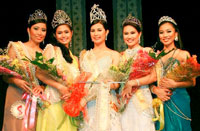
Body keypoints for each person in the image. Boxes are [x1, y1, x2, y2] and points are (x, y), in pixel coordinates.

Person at [123, 16, 196, 131]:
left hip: (178, 99)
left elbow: (192, 82)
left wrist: (175, 84)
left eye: (169, 31)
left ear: (176, 33)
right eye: (161, 32)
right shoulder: (156, 56)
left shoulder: (183, 54)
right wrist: (156, 90)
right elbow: (151, 79)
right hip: (161, 100)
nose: (165, 35)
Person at [2, 9, 47, 131]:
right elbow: (5, 75)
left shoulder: (45, 54)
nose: (39, 33)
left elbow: (45, 81)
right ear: (28, 30)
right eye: (36, 29)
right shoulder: (16, 47)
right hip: (16, 94)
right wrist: (16, 81)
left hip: (35, 98)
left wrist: (42, 88)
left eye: (43, 30)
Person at [79, 4, 122, 131]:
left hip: (108, 102)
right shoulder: (84, 55)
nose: (96, 33)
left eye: (99, 30)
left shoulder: (114, 55)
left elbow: (116, 84)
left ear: (106, 32)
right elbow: (81, 82)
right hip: (88, 103)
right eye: (93, 30)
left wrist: (109, 84)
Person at [35, 10, 79, 131]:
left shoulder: (74, 58)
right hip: (53, 102)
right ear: (55, 35)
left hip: (68, 103)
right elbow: (39, 73)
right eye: (60, 33)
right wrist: (59, 87)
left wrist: (71, 93)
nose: (63, 35)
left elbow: (76, 83)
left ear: (72, 33)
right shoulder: (51, 50)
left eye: (66, 32)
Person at [119, 14, 155, 131]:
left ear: (139, 34)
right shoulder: (120, 56)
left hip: (142, 98)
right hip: (126, 99)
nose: (129, 36)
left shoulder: (147, 52)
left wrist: (133, 82)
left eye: (132, 33)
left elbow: (154, 76)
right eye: (126, 33)